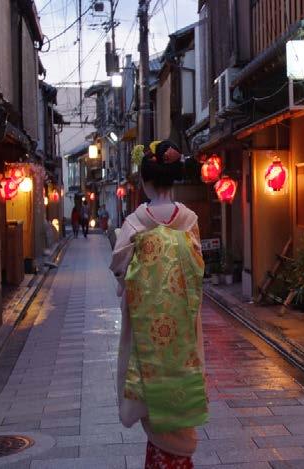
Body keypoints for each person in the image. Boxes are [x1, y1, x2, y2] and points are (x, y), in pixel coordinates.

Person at [110, 140, 207, 469]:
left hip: (145, 329)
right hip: (181, 326)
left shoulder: (135, 224)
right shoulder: (190, 221)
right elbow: (196, 272)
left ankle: (159, 457)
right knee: (180, 386)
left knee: (147, 387)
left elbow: (120, 273)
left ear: (145, 181)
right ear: (173, 179)